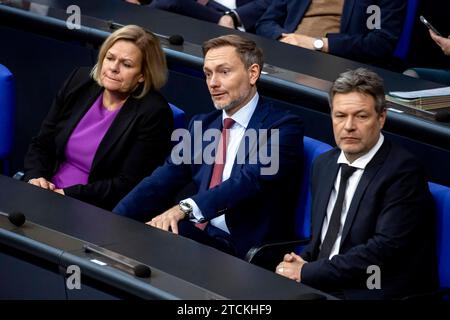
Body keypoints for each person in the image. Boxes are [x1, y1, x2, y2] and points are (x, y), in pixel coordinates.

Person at [114, 34, 304, 259]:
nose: (213, 83)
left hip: (245, 250)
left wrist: (183, 209)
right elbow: (161, 180)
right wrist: (113, 220)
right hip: (202, 235)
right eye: (208, 74)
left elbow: (248, 181)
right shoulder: (203, 125)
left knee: (161, 237)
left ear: (253, 73)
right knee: (138, 236)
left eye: (224, 72)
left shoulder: (283, 127)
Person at [275, 68, 438, 299]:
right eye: (340, 116)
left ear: (381, 118)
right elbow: (321, 238)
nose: (349, 126)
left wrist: (308, 271)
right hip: (326, 282)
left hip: (373, 286)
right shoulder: (324, 164)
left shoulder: (404, 172)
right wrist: (301, 262)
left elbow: (382, 252)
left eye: (361, 116)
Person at [24, 25, 173, 210]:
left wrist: (65, 195)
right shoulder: (79, 82)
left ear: (143, 75)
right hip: (45, 189)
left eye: (126, 64)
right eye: (110, 58)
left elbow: (127, 183)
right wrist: (36, 178)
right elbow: (42, 143)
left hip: (95, 207)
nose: (113, 68)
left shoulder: (154, 113)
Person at [255, 0, 405, 64]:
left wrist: (318, 44)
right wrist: (285, 39)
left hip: (337, 62)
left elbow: (381, 42)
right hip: (285, 53)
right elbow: (266, 22)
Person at [148, 0, 271, 32]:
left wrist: (232, 17)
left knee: (173, 2)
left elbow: (267, 2)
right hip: (196, 7)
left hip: (233, 17)